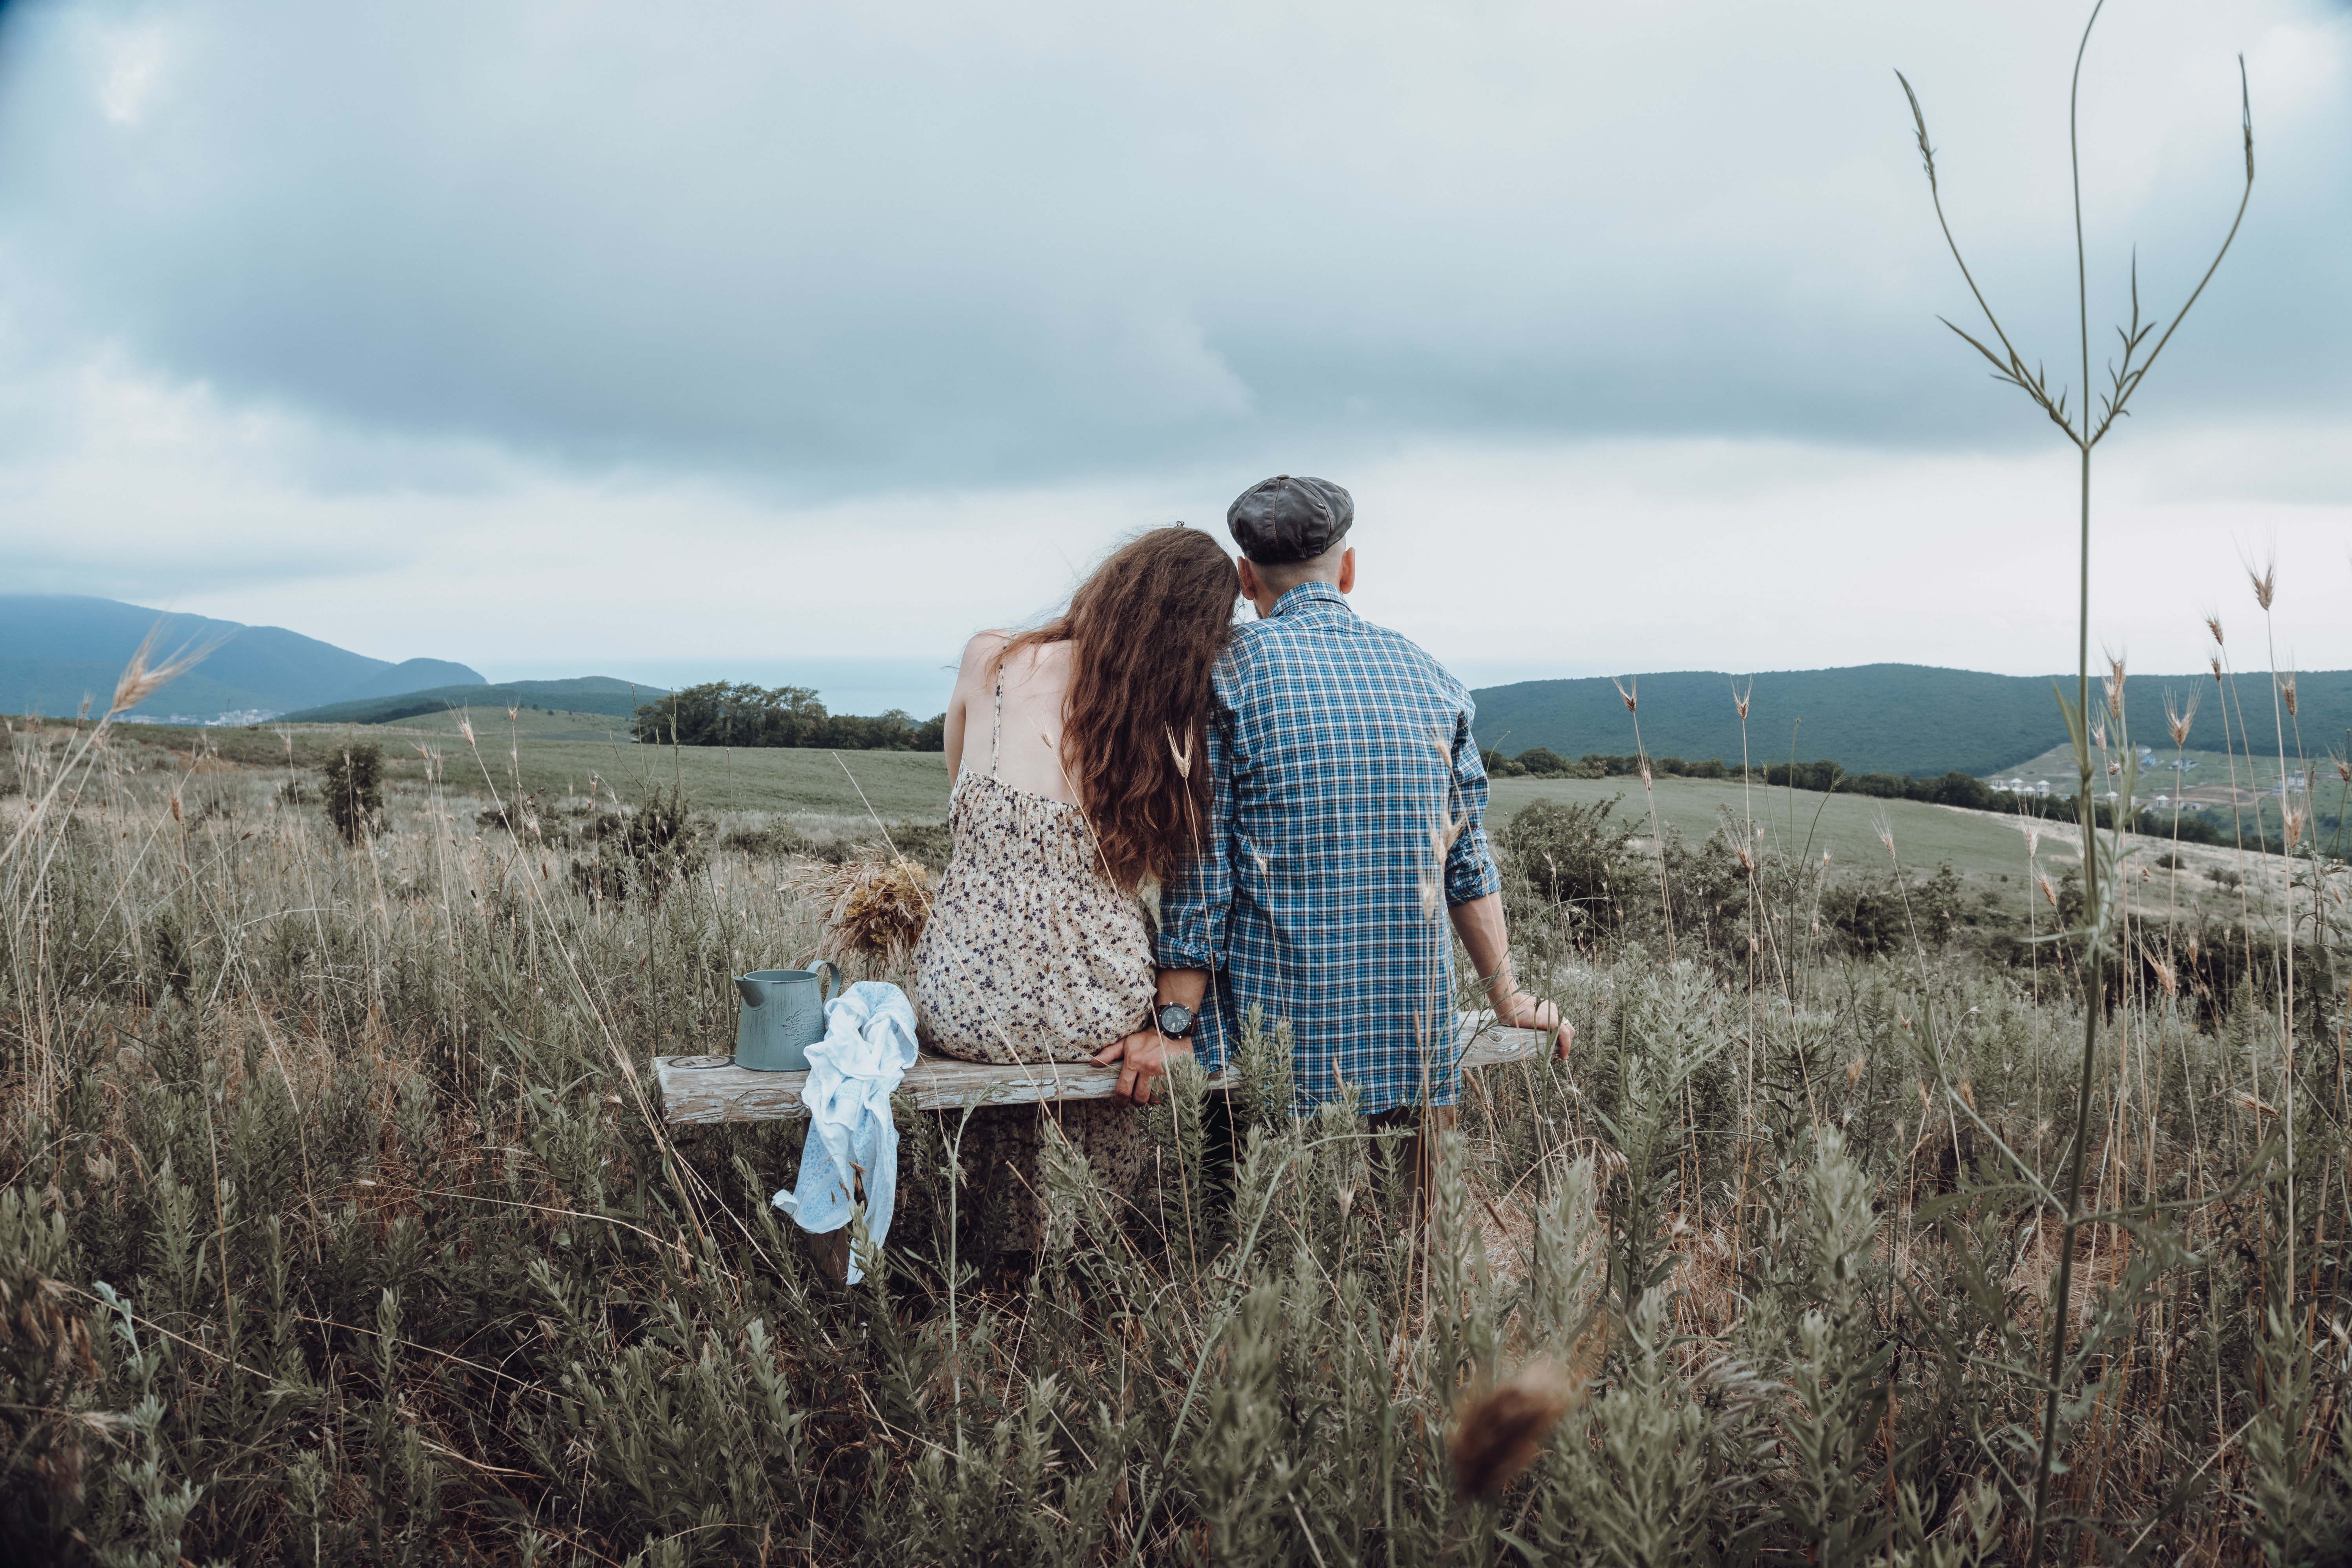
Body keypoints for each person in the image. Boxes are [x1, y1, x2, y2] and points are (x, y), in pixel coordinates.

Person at [1091, 475, 1570, 1207]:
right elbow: (1465, 861)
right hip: (1409, 1023)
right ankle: (1417, 1311)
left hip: (1270, 1030)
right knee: (1414, 1239)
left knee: (1241, 1227)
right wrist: (1508, 997)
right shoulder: (1433, 679)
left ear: (1246, 579)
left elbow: (1204, 874)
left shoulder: (1224, 678)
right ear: (1348, 570)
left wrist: (1176, 1023)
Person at [906, 524, 1240, 1260]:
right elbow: (1183, 874)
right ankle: (1076, 1253)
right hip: (1098, 1010)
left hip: (967, 999)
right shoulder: (1166, 726)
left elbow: (959, 796)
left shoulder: (991, 657)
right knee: (1099, 1070)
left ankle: (974, 1246)